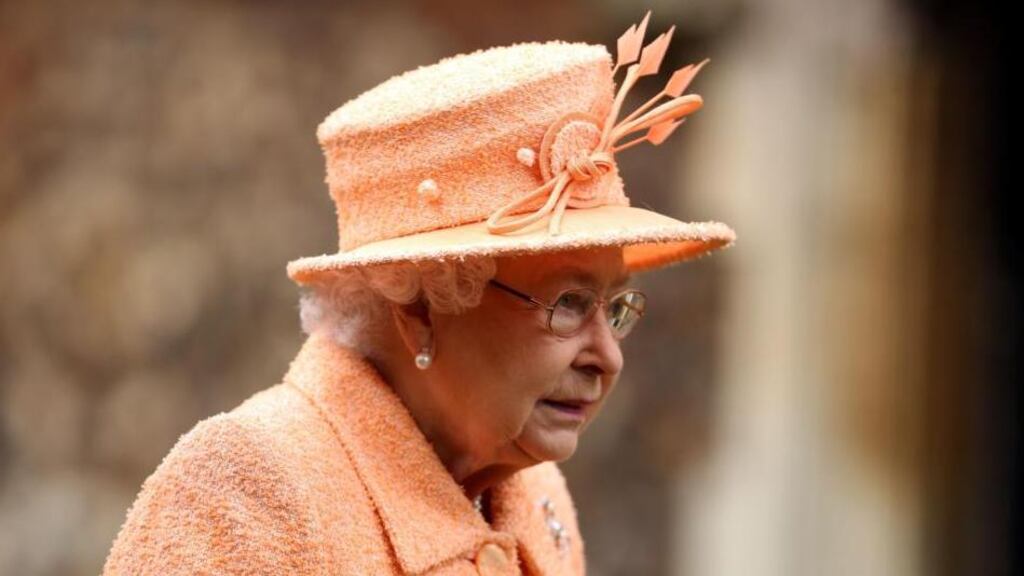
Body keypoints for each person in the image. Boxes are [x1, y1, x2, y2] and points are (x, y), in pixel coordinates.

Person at [102, 10, 735, 576]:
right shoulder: (250, 486)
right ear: (420, 309)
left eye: (616, 307)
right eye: (569, 304)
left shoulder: (538, 498)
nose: (609, 357)